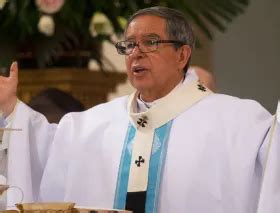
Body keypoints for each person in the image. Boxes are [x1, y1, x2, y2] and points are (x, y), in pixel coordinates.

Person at [0, 6, 279, 213]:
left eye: (151, 42)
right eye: (130, 45)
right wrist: (10, 108)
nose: (136, 53)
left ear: (182, 55)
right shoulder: (89, 125)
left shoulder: (241, 123)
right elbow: (45, 154)